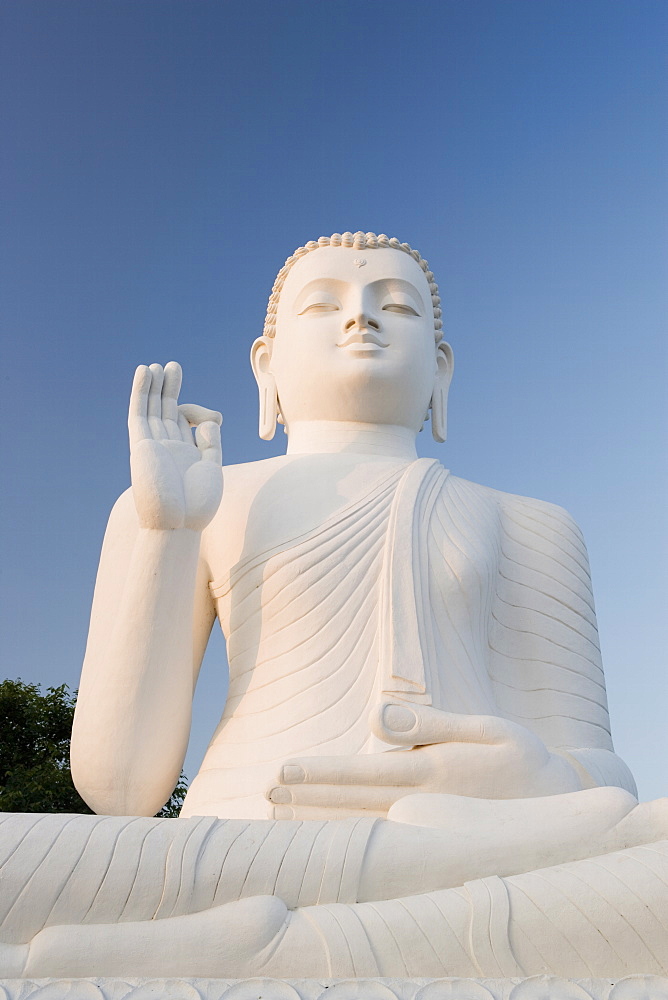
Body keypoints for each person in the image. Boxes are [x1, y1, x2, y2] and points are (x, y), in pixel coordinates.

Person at [1, 232, 666, 981]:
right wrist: (167, 530)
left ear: (441, 370)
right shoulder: (196, 503)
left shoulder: (531, 522)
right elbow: (119, 791)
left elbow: (606, 783)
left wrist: (534, 778)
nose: (361, 320)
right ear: (267, 365)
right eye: (324, 304)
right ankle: (301, 939)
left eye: (396, 306)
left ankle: (256, 947)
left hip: (480, 845)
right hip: (240, 849)